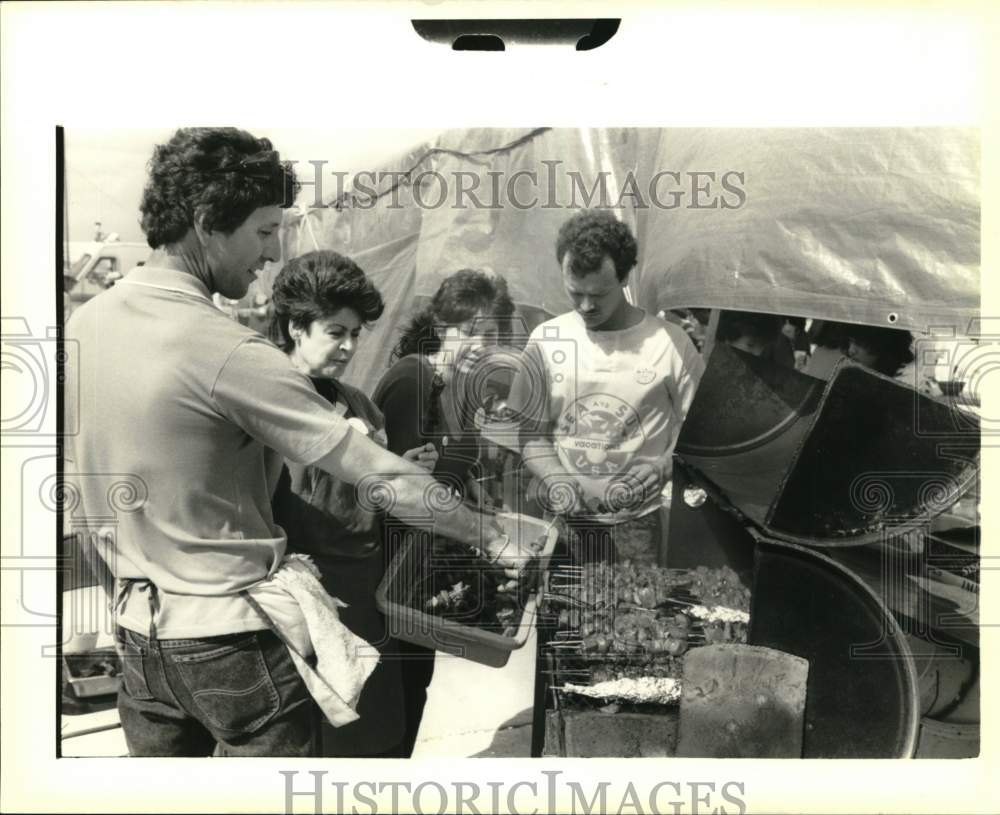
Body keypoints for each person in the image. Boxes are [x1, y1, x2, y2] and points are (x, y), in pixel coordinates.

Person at [64, 128, 521, 757]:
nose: (274, 252)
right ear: (206, 222)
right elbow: (380, 476)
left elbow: (76, 491)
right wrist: (493, 535)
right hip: (227, 644)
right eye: (263, 230)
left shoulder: (84, 324)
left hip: (138, 644)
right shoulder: (227, 350)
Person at [268, 250, 439, 757]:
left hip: (367, 600)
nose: (348, 346)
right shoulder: (266, 399)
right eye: (334, 331)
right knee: (307, 747)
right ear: (296, 326)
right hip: (301, 604)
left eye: (355, 334)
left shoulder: (360, 404)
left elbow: (376, 499)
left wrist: (404, 468)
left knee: (374, 741)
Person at [507, 209, 705, 567]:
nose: (585, 306)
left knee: (632, 617)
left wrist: (663, 467)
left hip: (635, 526)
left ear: (625, 277)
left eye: (598, 294)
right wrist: (556, 478)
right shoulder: (546, 340)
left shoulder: (669, 343)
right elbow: (529, 436)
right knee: (560, 616)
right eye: (574, 292)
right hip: (565, 522)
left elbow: (702, 431)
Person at [371, 268, 515, 757]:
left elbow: (444, 469)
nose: (478, 343)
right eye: (467, 330)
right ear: (441, 324)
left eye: (489, 335)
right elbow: (400, 492)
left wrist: (471, 489)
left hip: (422, 572)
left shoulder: (456, 387)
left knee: (416, 691)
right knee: (394, 705)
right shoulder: (412, 378)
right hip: (394, 572)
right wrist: (481, 534)